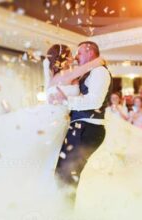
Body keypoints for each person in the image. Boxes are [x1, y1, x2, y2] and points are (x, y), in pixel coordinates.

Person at [54, 41, 112, 186]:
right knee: (64, 173)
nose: (76, 57)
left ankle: (65, 208)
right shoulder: (90, 72)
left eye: (79, 53)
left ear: (90, 52)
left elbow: (95, 101)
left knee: (68, 174)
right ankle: (63, 206)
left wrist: (67, 100)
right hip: (81, 127)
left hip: (88, 128)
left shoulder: (100, 72)